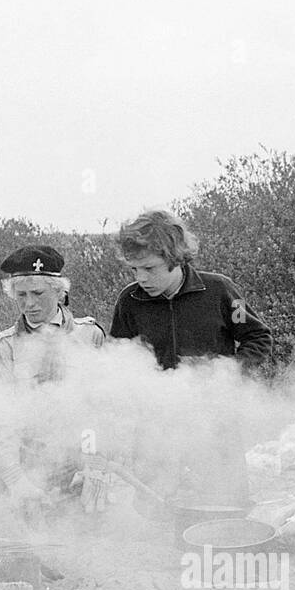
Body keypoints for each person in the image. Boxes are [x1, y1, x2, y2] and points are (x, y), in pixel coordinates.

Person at [109, 209, 272, 507]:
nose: (141, 278)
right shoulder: (129, 301)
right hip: (155, 428)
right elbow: (119, 359)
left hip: (214, 421)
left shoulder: (220, 290)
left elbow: (258, 336)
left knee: (225, 509)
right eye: (134, 270)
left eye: (149, 268)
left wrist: (228, 374)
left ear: (175, 258)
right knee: (156, 513)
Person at [0, 245, 106, 513]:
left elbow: (96, 411)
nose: (29, 304)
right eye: (21, 295)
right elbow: (1, 421)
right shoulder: (4, 347)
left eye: (38, 293)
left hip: (79, 465)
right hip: (25, 466)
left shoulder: (89, 336)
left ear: (59, 291)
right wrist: (16, 481)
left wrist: (93, 466)